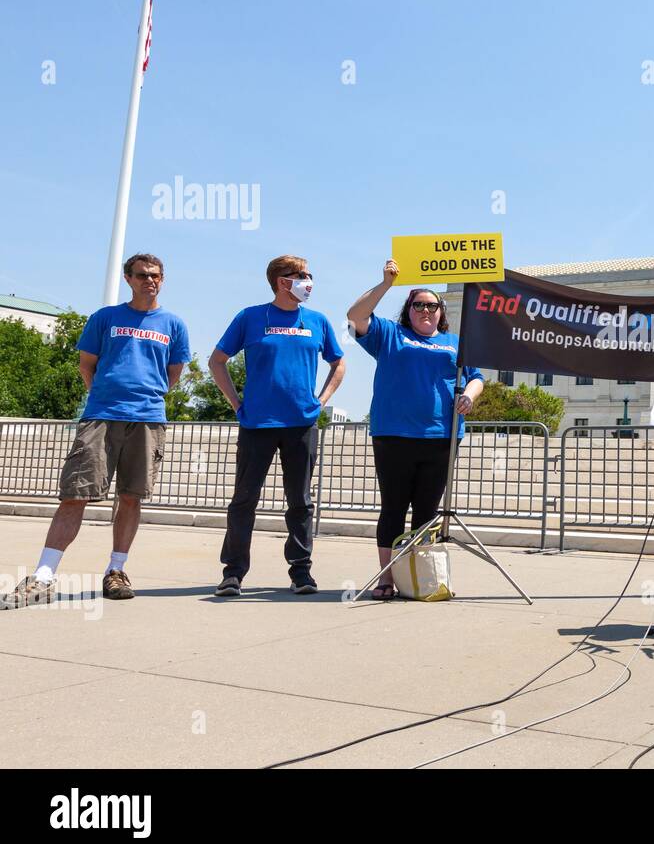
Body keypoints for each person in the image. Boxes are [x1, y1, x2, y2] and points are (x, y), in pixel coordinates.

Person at [2, 254, 189, 609]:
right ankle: (43, 575)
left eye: (156, 276)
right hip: (102, 415)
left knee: (132, 496)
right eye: (142, 275)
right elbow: (86, 364)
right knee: (76, 494)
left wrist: (149, 394)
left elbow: (174, 372)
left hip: (148, 418)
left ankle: (116, 571)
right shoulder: (105, 318)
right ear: (128, 278)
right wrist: (103, 394)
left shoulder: (174, 324)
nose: (150, 281)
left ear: (163, 280)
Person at [346, 259, 484, 600]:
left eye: (432, 305)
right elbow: (355, 316)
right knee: (393, 507)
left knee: (426, 511)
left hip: (441, 436)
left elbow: (477, 377)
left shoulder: (456, 341)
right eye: (418, 304)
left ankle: (422, 579)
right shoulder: (389, 335)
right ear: (408, 310)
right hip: (394, 434)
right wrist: (385, 284)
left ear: (441, 312)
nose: (425, 310)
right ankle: (386, 579)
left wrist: (468, 394)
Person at [209, 255, 346, 597]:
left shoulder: (317, 320)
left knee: (300, 500)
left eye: (309, 275)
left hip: (301, 423)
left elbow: (338, 363)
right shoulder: (250, 317)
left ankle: (301, 572)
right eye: (301, 275)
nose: (308, 281)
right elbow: (217, 361)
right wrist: (236, 403)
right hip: (257, 423)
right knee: (244, 499)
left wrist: (321, 400)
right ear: (282, 281)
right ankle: (233, 572)